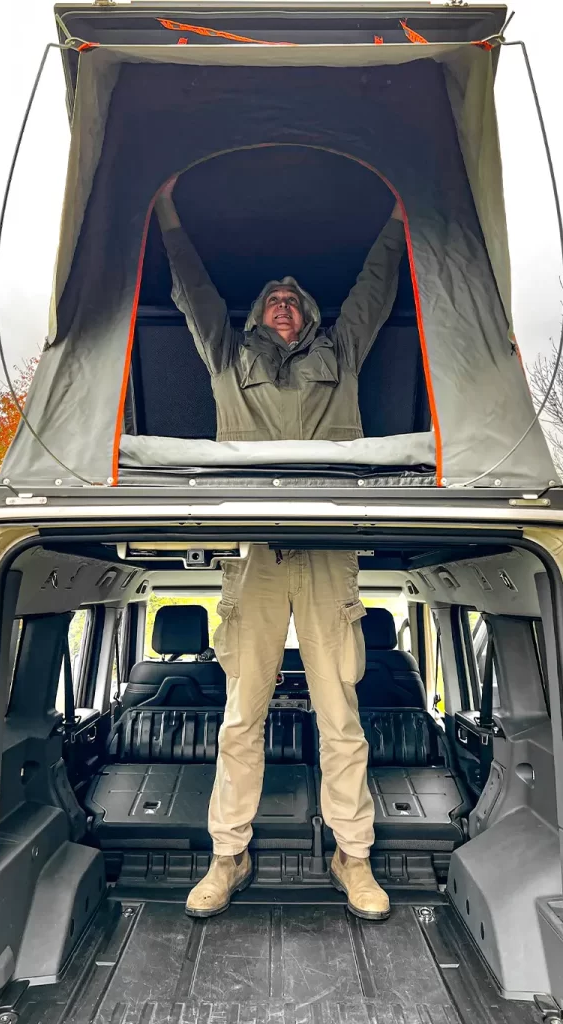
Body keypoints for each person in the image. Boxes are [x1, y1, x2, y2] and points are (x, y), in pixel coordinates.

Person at [155, 180, 406, 920]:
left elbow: (374, 289)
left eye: (296, 300)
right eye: (273, 300)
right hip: (255, 554)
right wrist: (168, 215)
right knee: (240, 717)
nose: (285, 306)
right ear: (257, 315)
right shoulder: (227, 358)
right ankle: (227, 856)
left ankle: (351, 857)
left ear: (312, 316)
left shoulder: (344, 353)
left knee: (341, 717)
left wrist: (399, 215)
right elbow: (195, 293)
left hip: (328, 552)